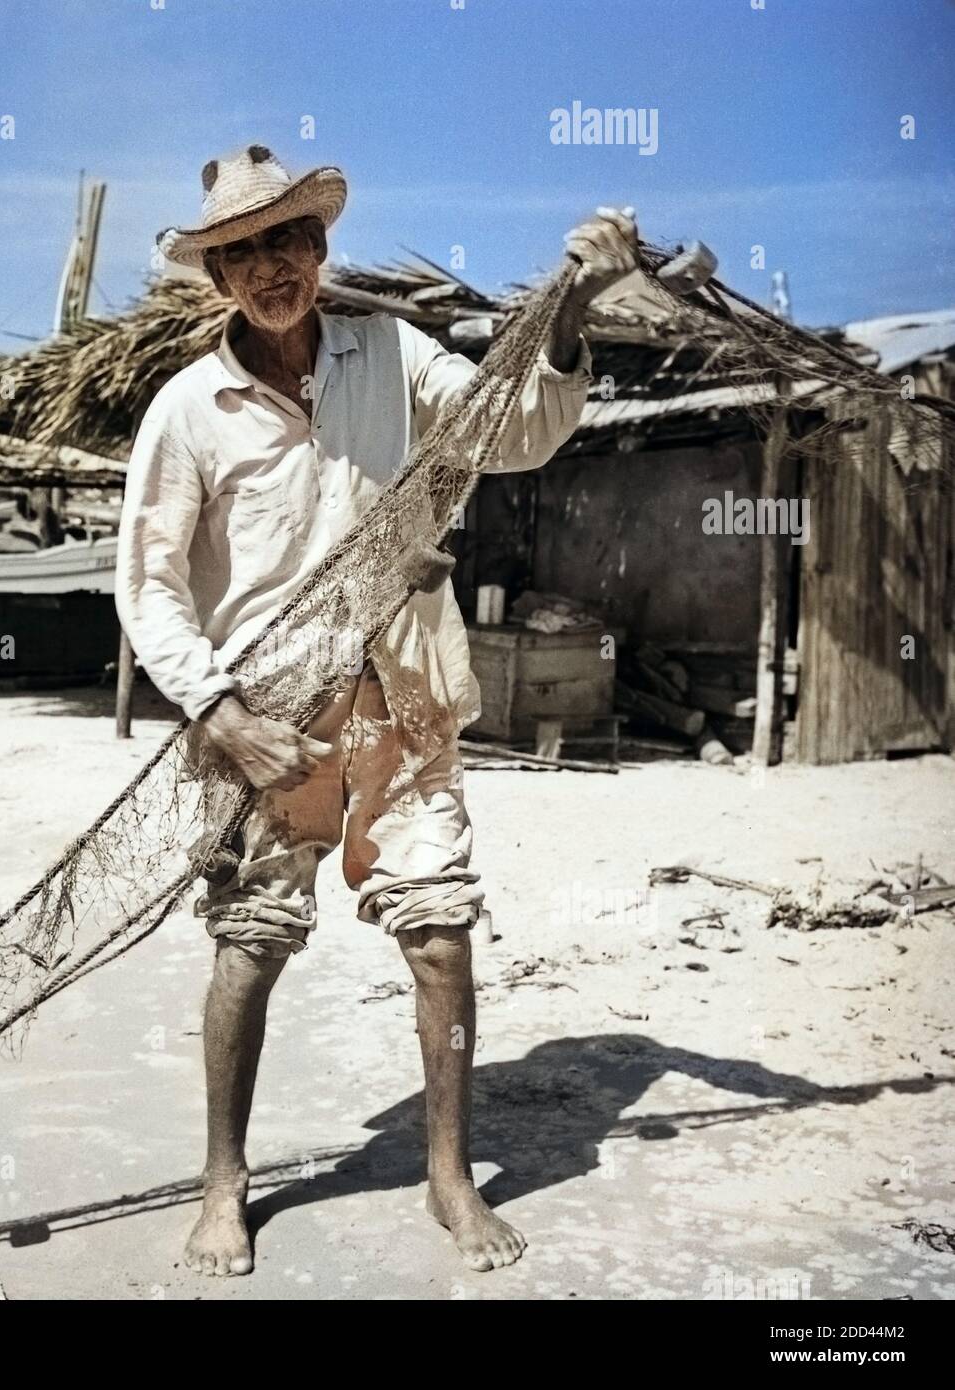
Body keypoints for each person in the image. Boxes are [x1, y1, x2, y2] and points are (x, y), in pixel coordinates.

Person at [116, 144, 637, 1274]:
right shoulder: (187, 410)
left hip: (400, 695)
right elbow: (149, 584)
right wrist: (214, 711)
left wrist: (564, 318)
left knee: (440, 935)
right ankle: (222, 1183)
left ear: (320, 245)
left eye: (289, 239)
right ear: (216, 279)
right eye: (243, 252)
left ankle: (449, 1177)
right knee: (249, 950)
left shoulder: (393, 355)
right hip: (264, 717)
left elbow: (513, 430)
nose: (271, 266)